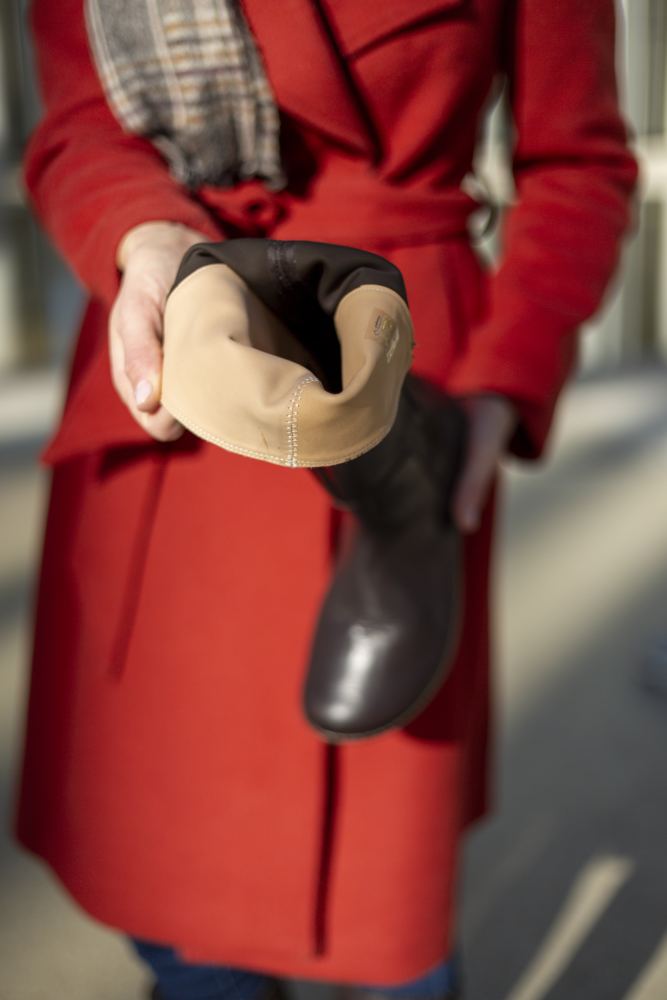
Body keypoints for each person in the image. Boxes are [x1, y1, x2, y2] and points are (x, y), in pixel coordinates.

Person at [15, 1, 638, 999]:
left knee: (386, 918)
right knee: (188, 925)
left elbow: (578, 163)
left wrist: (499, 382)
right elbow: (79, 122)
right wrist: (145, 242)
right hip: (180, 367)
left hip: (394, 402)